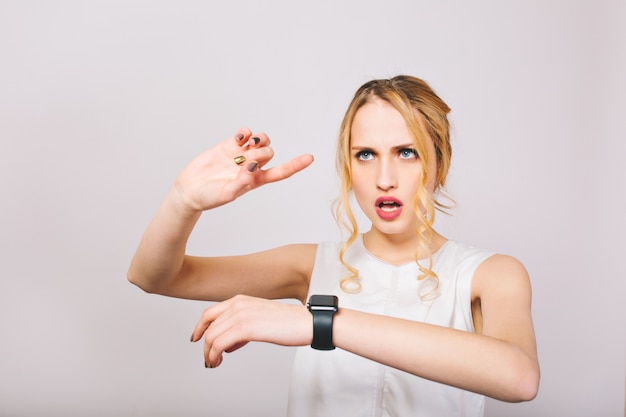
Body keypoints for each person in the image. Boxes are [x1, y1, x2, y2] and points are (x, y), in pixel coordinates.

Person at [128, 75, 540, 417]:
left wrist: (319, 323)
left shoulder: (491, 274)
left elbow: (519, 377)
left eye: (407, 153)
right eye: (365, 154)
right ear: (348, 166)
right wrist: (183, 200)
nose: (384, 177)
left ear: (439, 164)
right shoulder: (310, 265)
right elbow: (154, 276)